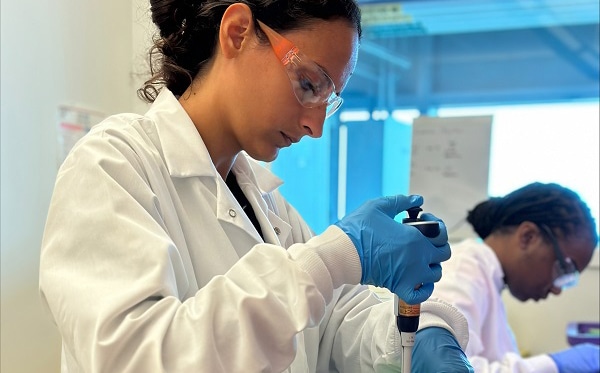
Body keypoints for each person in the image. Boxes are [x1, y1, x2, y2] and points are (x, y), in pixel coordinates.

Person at [38, 1, 474, 372]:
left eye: (328, 101)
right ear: (238, 32)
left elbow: (331, 320)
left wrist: (426, 334)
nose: (315, 125)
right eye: (308, 84)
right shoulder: (112, 165)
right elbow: (137, 358)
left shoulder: (264, 202)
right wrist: (338, 255)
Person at [431, 182, 600, 372]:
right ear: (528, 237)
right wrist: (553, 365)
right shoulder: (458, 274)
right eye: (564, 269)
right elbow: (445, 368)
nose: (557, 289)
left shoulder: (488, 278)